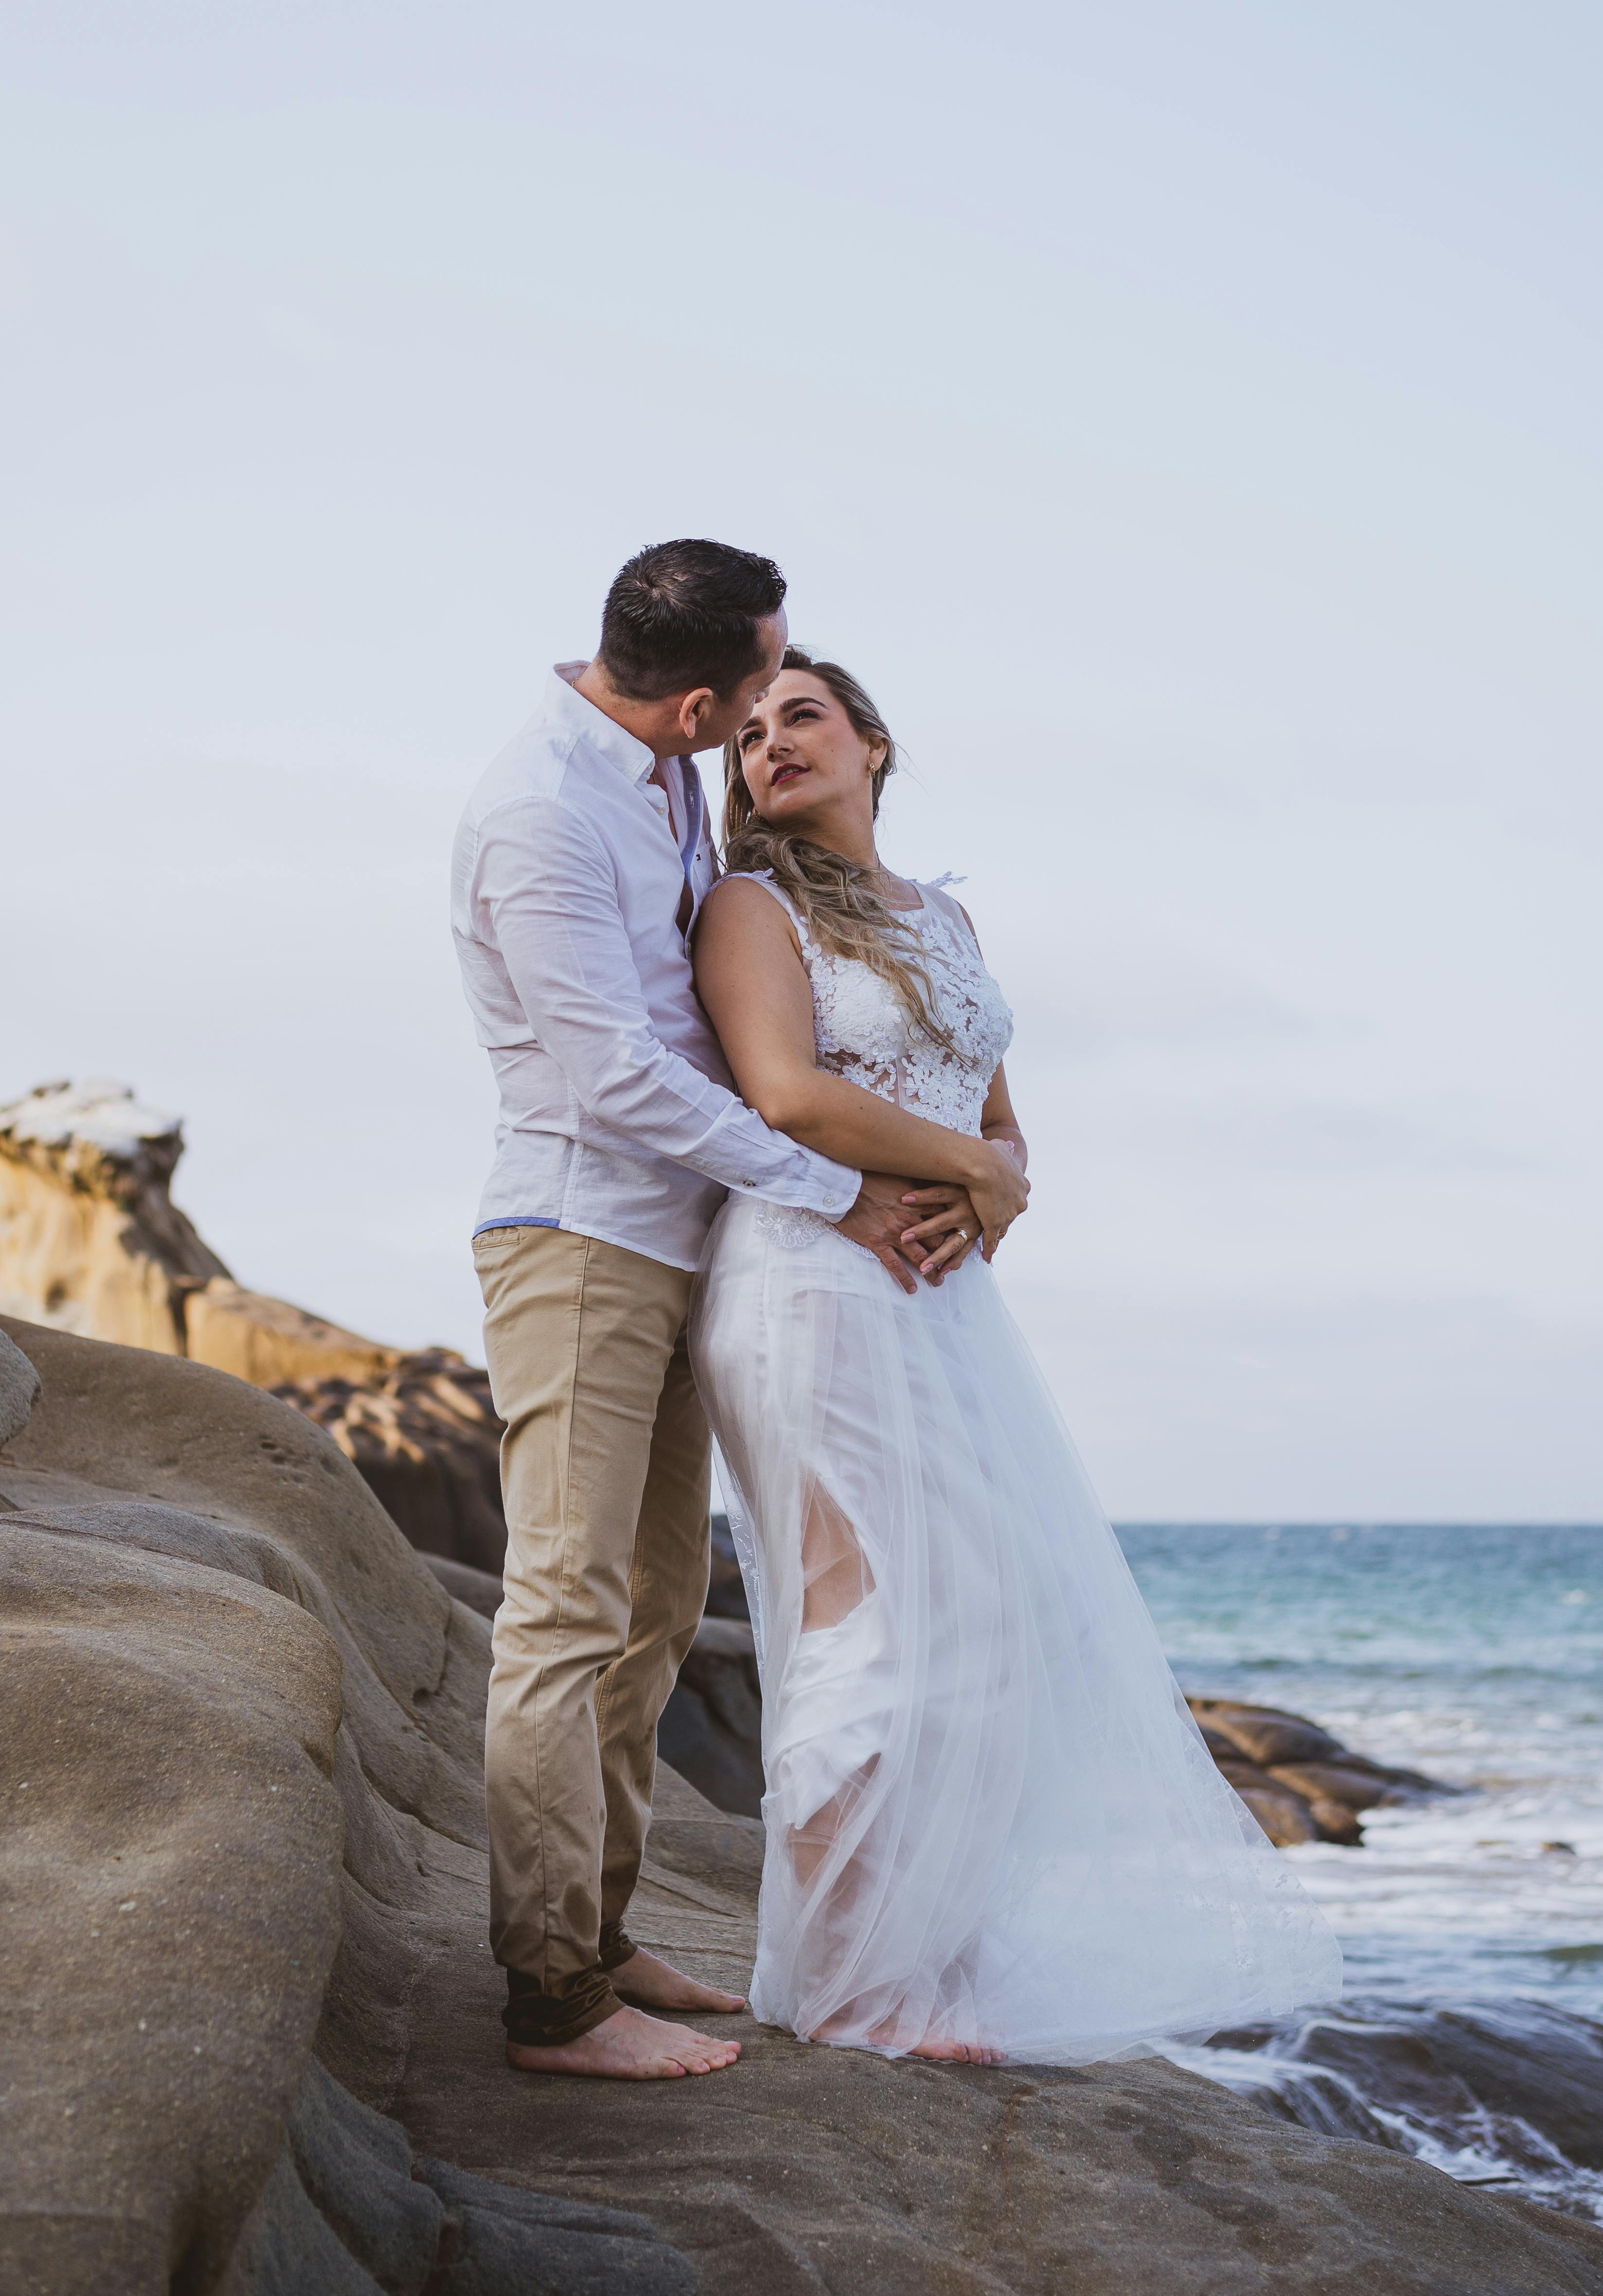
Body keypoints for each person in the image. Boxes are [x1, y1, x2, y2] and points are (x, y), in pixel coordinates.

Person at [689, 651, 1343, 2063]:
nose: (771, 743)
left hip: (937, 1301)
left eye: (800, 715)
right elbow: (789, 1093)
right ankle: (856, 1984)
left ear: (873, 742)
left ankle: (919, 1939)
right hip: (810, 1278)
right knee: (866, 1623)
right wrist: (989, 1182)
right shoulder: (752, 905)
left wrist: (1001, 1175)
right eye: (744, 735)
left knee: (985, 1624)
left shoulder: (951, 918)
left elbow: (1000, 1112)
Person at [451, 541, 994, 2083]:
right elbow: (617, 1079)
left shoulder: (661, 767)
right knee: (565, 1605)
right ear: (699, 702)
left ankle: (601, 1928)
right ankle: (551, 1999)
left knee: (660, 1605)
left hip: (693, 1243)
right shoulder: (539, 813)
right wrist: (833, 1190)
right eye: (761, 687)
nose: (772, 714)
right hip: (581, 1236)